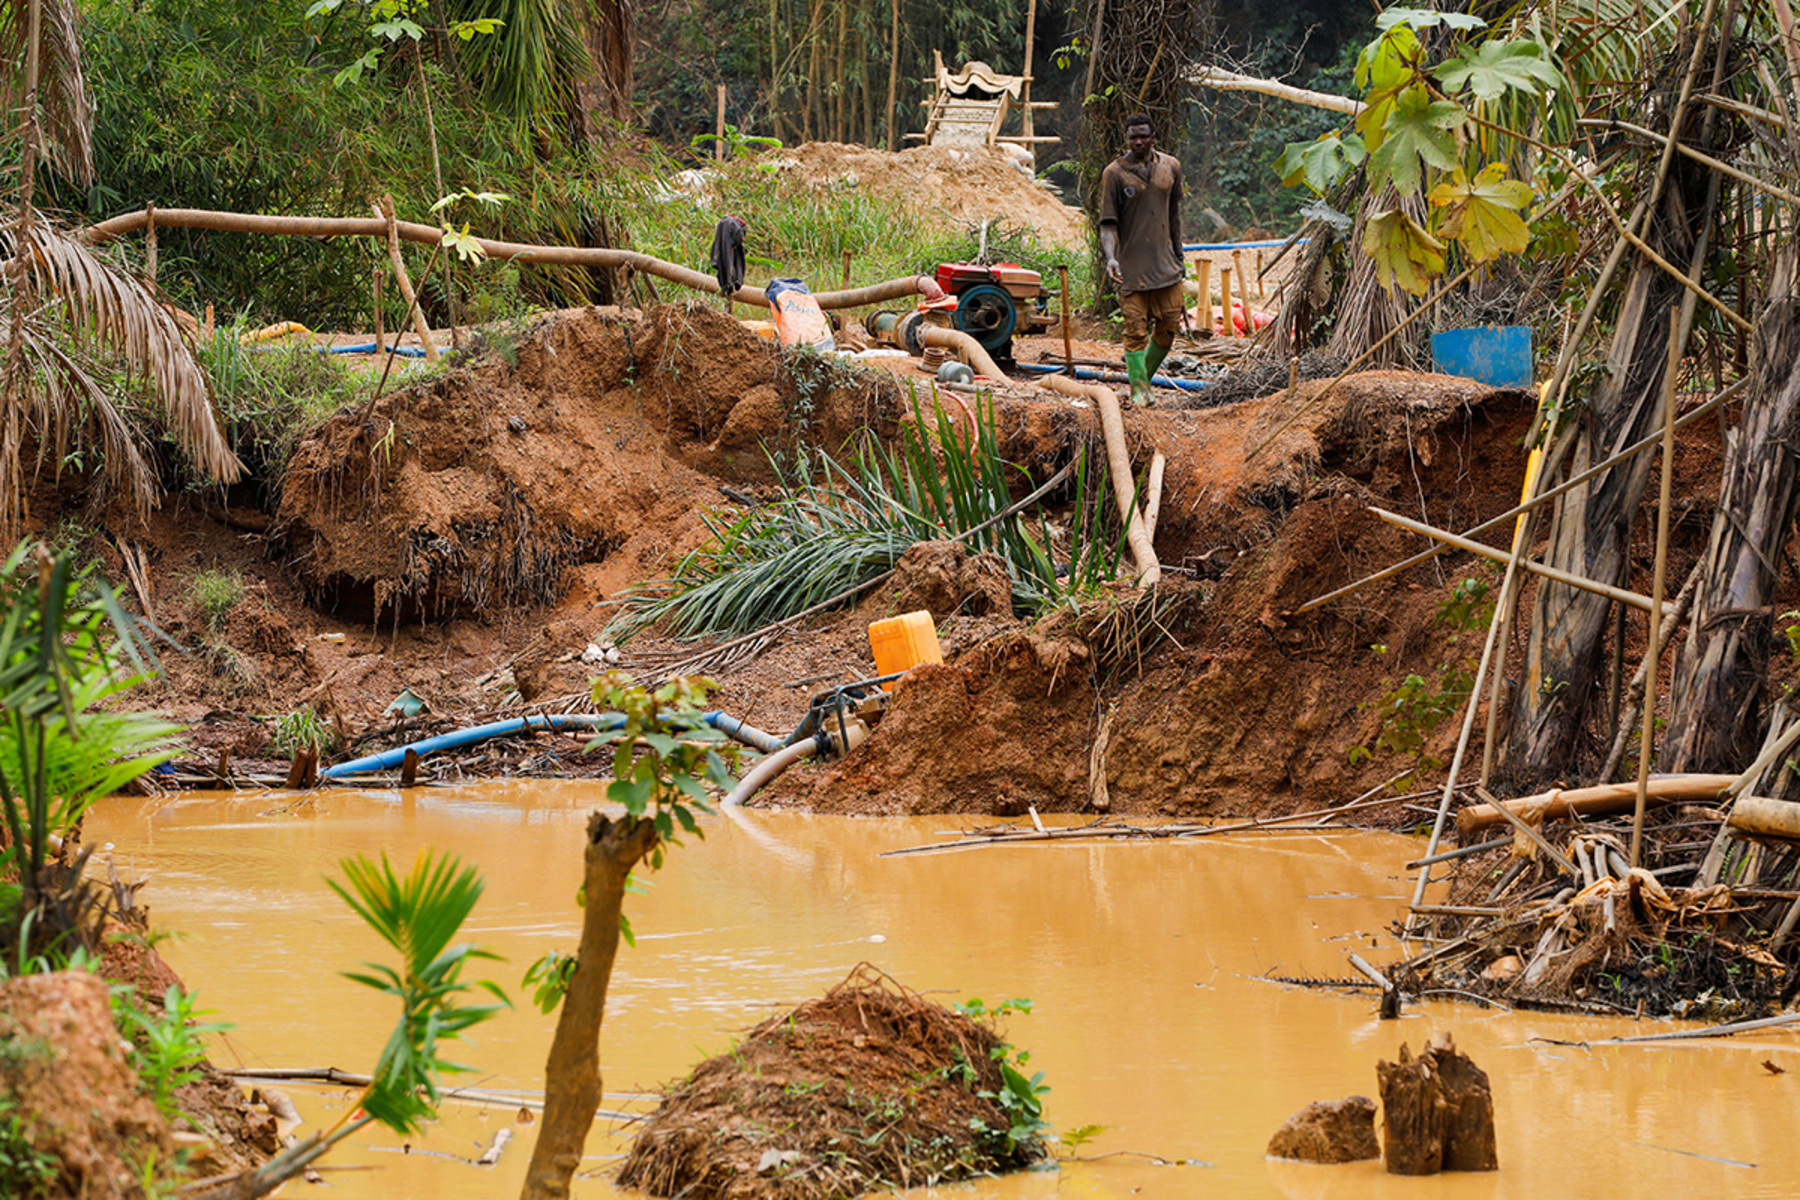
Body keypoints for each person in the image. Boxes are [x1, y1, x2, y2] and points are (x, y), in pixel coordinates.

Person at [1098, 112, 1185, 404]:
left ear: (1152, 137)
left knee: (1170, 326)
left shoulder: (1170, 167)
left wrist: (1179, 253)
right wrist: (1111, 258)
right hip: (1131, 270)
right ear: (1126, 138)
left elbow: (1174, 214)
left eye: (1143, 136)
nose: (1138, 141)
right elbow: (1108, 224)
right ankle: (1138, 392)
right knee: (1135, 331)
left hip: (1166, 266)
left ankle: (1143, 379)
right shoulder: (1115, 173)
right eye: (1133, 136)